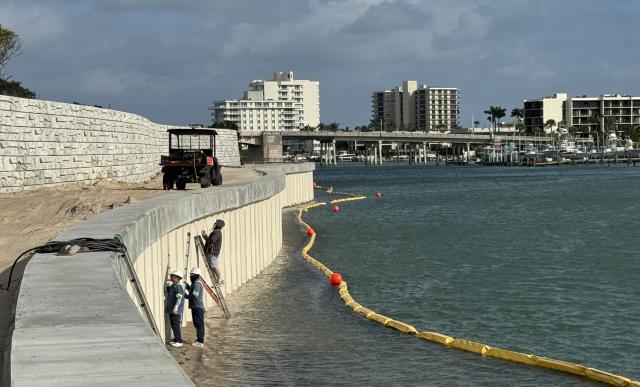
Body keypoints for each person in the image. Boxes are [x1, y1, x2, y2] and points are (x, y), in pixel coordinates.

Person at [165, 270, 185, 347]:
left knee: (176, 325)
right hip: (171, 309)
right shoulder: (173, 286)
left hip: (176, 310)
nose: (171, 277)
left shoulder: (178, 286)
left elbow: (179, 298)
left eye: (172, 276)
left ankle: (179, 341)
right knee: (173, 325)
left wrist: (176, 307)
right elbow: (168, 289)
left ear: (176, 278)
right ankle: (176, 340)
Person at [186, 267, 205, 348]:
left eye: (192, 275)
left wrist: (187, 295)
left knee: (199, 323)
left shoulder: (197, 283)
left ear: (197, 275)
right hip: (195, 306)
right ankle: (199, 339)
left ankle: (200, 341)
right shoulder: (195, 283)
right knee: (197, 323)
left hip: (197, 307)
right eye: (190, 275)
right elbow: (192, 292)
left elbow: (195, 294)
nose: (191, 276)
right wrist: (187, 287)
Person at [204, 219, 225, 285]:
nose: (214, 224)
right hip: (212, 253)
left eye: (215, 223)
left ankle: (220, 280)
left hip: (213, 253)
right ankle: (217, 280)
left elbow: (212, 240)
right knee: (212, 267)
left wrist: (205, 237)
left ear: (217, 225)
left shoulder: (217, 232)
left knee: (214, 266)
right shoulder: (217, 231)